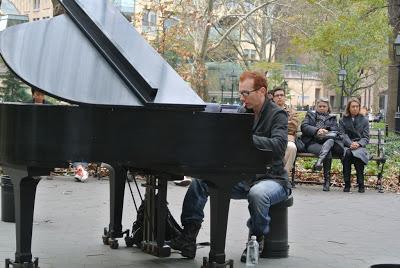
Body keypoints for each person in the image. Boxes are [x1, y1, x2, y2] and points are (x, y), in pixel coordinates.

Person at [170, 71, 291, 263]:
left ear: (261, 91)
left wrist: (246, 139)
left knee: (258, 194)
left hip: (272, 179)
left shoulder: (278, 115)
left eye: (246, 93)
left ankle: (255, 240)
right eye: (241, 93)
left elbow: (278, 146)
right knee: (200, 182)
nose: (242, 98)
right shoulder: (243, 113)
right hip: (244, 177)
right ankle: (188, 237)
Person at [300, 98, 343, 191]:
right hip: (312, 143)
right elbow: (304, 126)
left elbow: (336, 129)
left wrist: (326, 130)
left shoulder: (332, 118)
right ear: (316, 107)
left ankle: (320, 167)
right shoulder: (310, 115)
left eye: (324, 106)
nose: (322, 108)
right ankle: (327, 181)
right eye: (320, 106)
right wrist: (317, 130)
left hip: (327, 141)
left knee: (329, 144)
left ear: (328, 108)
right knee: (327, 152)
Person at [339, 98, 369, 193]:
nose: (355, 108)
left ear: (359, 107)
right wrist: (350, 143)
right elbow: (342, 134)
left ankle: (361, 184)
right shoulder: (343, 119)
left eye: (357, 106)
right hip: (347, 145)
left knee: (357, 155)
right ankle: (347, 183)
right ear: (349, 107)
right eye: (353, 106)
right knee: (348, 154)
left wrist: (358, 144)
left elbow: (366, 137)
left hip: (359, 146)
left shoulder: (364, 120)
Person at [272, 86, 299, 173]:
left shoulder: (292, 111)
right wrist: (287, 122)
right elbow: (268, 125)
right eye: (277, 95)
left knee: (291, 147)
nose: (279, 97)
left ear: (285, 97)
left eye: (281, 95)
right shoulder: (269, 110)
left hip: (287, 138)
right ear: (273, 98)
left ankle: (283, 175)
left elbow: (293, 127)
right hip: (272, 137)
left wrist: (277, 124)